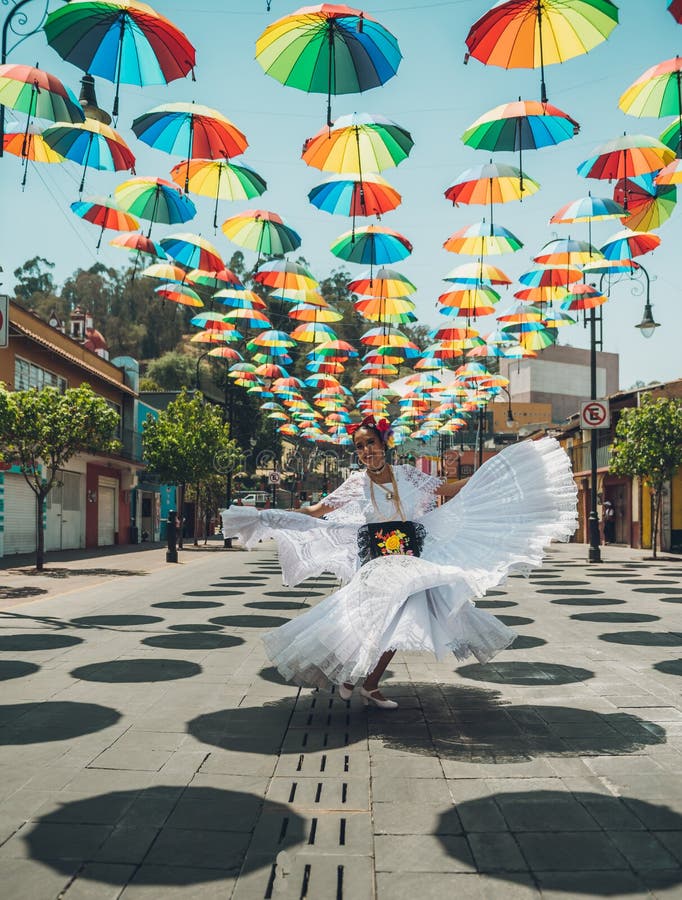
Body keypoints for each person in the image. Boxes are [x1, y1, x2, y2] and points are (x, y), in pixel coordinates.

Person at [222, 416, 577, 709]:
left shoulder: (407, 475)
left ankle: (369, 683)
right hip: (376, 558)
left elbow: (444, 490)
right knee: (369, 618)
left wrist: (487, 478)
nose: (365, 451)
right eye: (359, 446)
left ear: (383, 444)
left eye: (370, 443)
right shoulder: (354, 484)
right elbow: (316, 513)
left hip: (410, 555)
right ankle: (351, 676)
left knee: (406, 617)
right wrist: (269, 517)